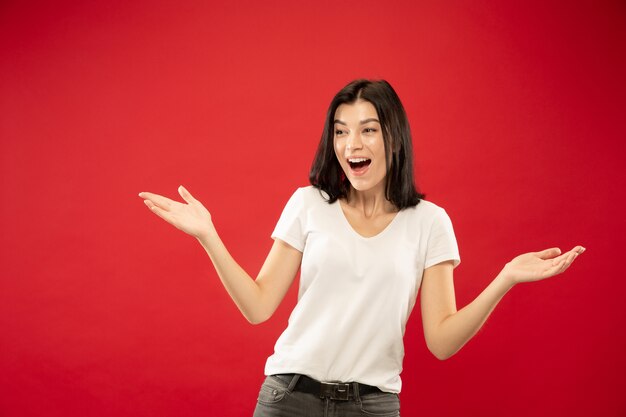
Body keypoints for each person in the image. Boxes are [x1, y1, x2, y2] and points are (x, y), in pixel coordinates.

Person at [138, 79, 584, 417]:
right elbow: (258, 306)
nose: (352, 144)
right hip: (290, 398)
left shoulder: (430, 222)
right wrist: (208, 236)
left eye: (368, 130)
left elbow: (442, 341)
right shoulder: (308, 204)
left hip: (372, 406)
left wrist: (505, 278)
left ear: (394, 138)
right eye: (341, 132)